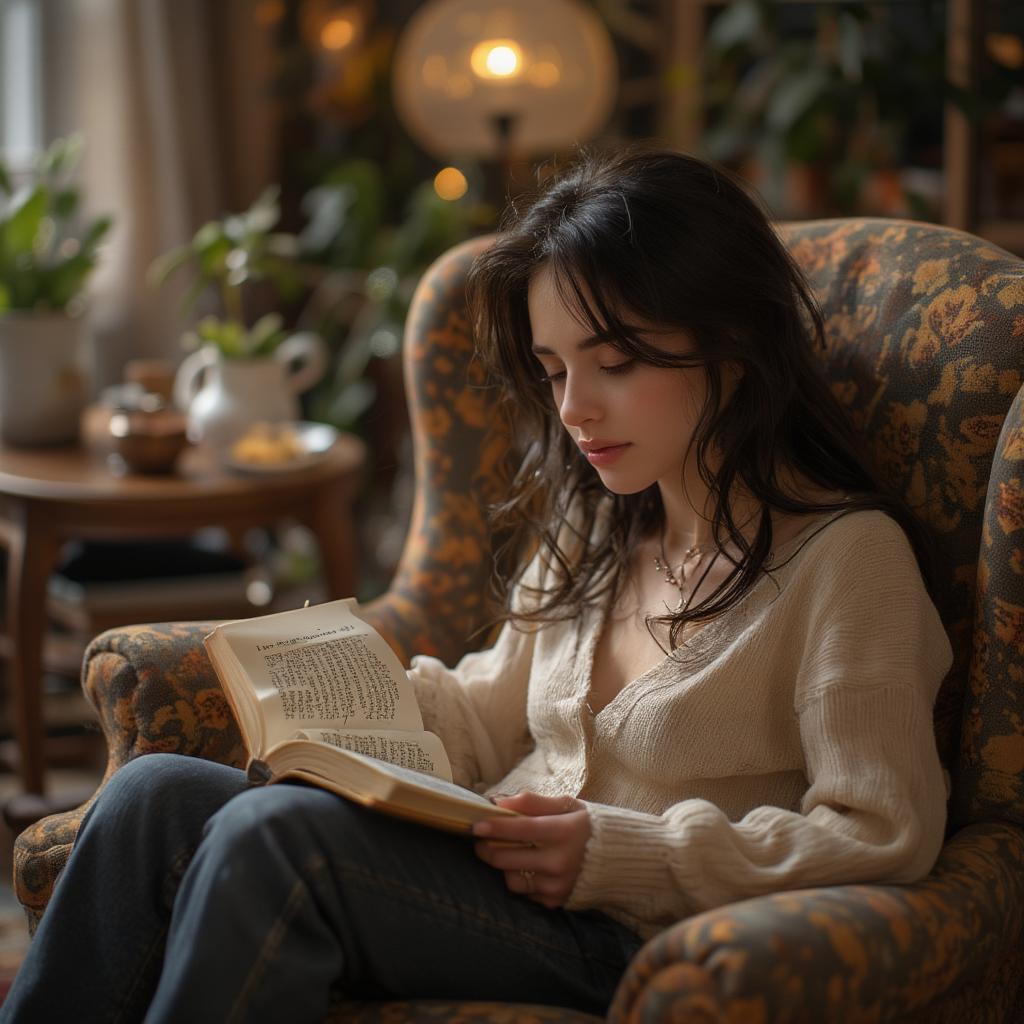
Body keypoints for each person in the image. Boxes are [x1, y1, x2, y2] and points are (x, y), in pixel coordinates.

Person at [0, 145, 951, 1023]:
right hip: (484, 873)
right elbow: (486, 718)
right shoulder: (601, 523)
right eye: (553, 371)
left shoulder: (845, 561)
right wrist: (339, 712)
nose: (575, 408)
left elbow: (881, 832)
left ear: (732, 345)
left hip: (632, 937)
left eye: (615, 363)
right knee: (154, 793)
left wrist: (624, 850)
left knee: (272, 842)